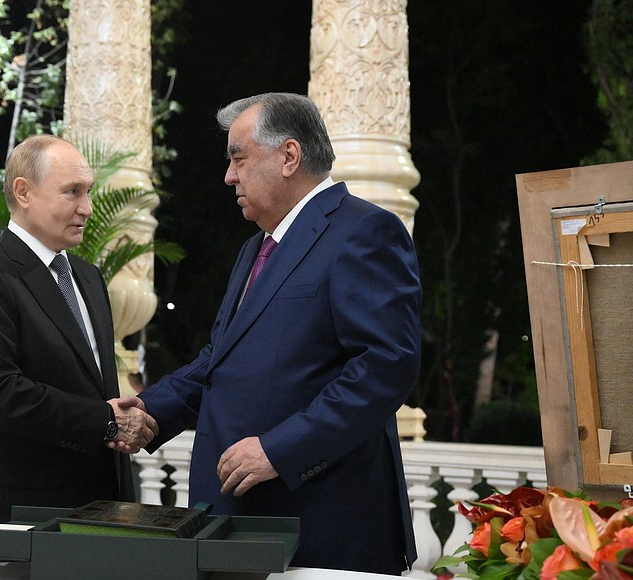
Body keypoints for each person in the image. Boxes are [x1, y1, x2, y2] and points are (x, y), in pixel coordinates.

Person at [132, 93, 422, 573]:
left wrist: (278, 450)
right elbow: (221, 359)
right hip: (240, 519)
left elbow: (384, 369)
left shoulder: (366, 231)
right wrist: (149, 411)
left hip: (320, 524)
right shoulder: (256, 247)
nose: (229, 176)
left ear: (289, 156)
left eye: (238, 158)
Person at [0, 135, 157, 558]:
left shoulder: (89, 277)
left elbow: (97, 389)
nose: (87, 208)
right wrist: (105, 421)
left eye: (88, 191)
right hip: (20, 514)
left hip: (102, 509)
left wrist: (124, 421)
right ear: (23, 192)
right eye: (72, 192)